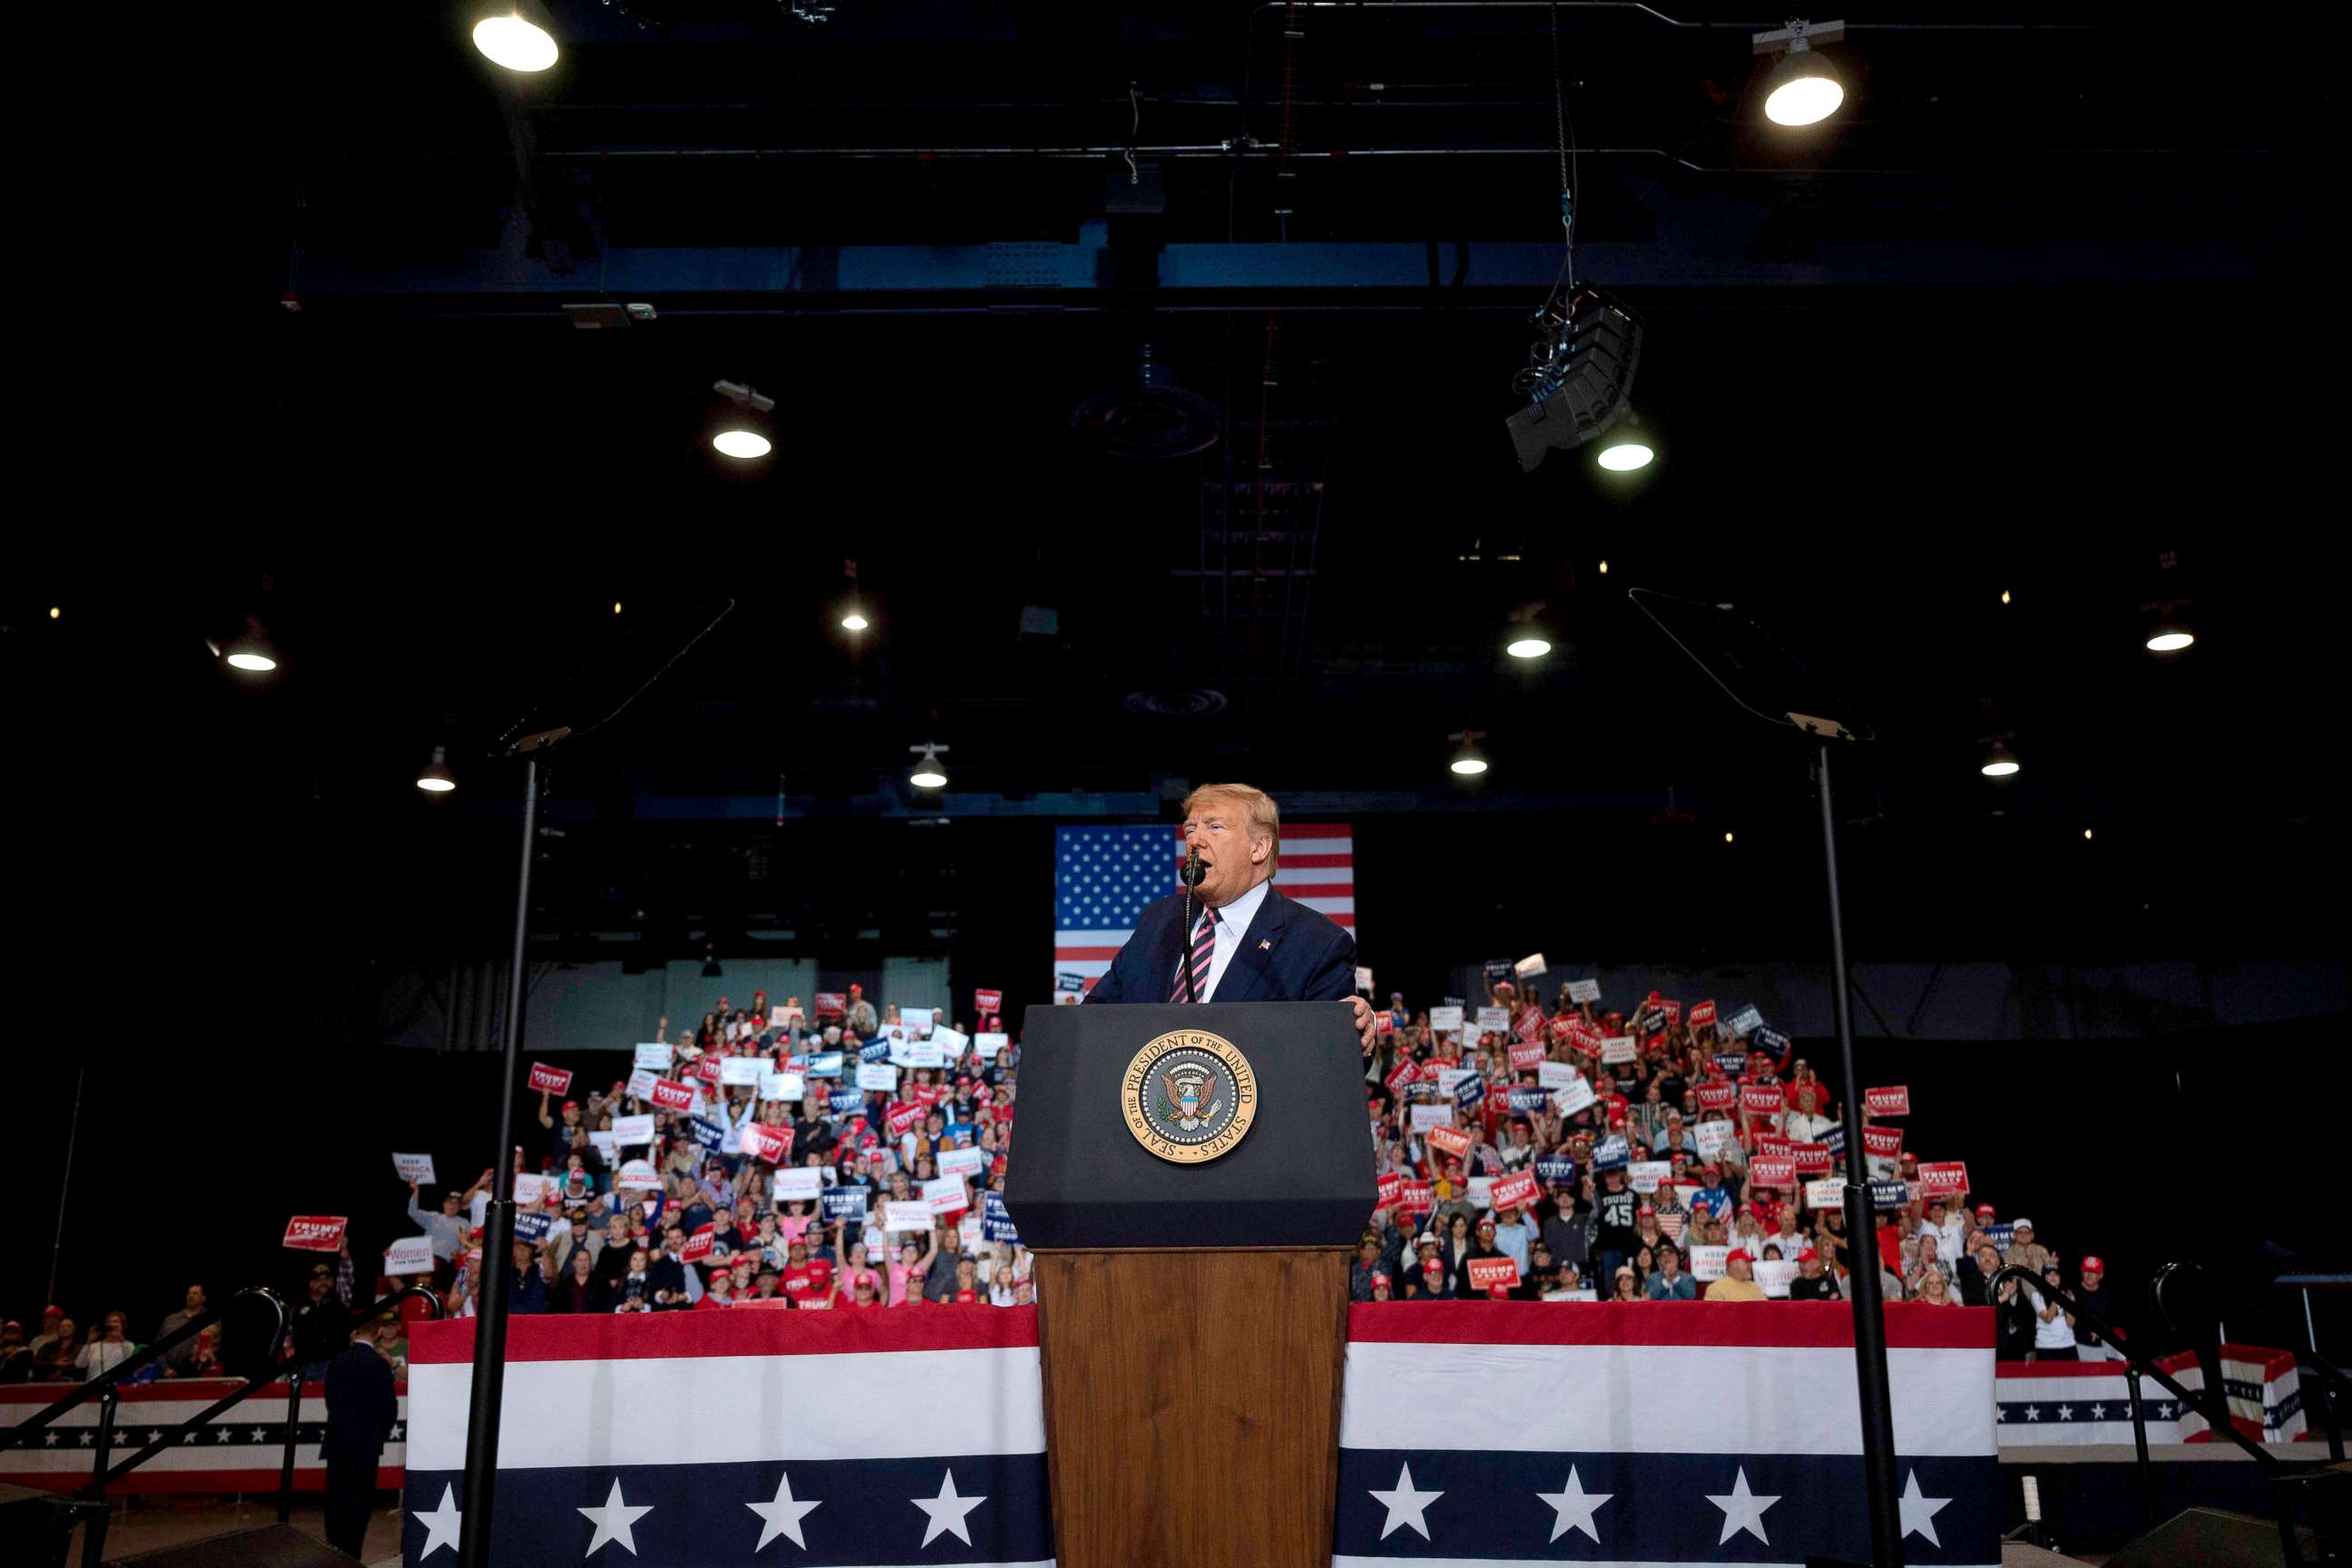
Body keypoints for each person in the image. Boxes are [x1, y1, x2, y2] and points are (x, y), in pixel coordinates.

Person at [1080, 783, 1378, 1052]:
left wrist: (1354, 1033)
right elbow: (1094, 1016)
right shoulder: (1159, 919)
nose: (1195, 840)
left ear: (1259, 847)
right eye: (1190, 829)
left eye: (1215, 827)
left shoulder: (1318, 943)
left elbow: (1336, 1060)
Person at [321, 1323, 398, 1558]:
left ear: (354, 1333)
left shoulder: (337, 1362)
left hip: (338, 1441)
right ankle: (352, 1554)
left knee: (336, 1500)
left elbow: (330, 1399)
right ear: (378, 1332)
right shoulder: (379, 1364)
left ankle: (334, 1550)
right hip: (366, 1443)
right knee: (360, 1501)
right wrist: (378, 1435)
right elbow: (389, 1406)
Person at [154, 1284, 208, 1375]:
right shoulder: (171, 1319)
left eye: (195, 1293)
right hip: (165, 1374)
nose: (191, 1296)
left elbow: (213, 1348)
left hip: (195, 1374)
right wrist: (165, 1368)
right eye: (189, 1293)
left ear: (203, 1298)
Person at [74, 1313, 139, 1380]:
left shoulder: (128, 1345)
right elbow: (79, 1365)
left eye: (115, 1322)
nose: (111, 1324)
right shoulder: (94, 1346)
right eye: (108, 1322)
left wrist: (120, 1338)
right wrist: (89, 1341)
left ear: (122, 1326)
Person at [1705, 1250, 1769, 1302]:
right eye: (1746, 1262)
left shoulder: (1754, 1287)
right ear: (1733, 1265)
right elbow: (1714, 1315)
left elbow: (1766, 1310)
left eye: (1750, 1262)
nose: (1750, 1266)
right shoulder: (1715, 1288)